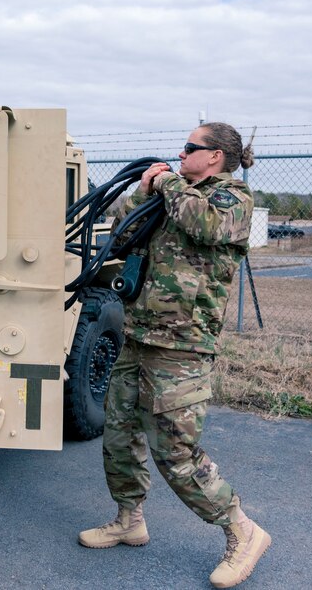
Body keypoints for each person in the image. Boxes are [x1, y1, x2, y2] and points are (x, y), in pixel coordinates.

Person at [78, 122, 270, 588]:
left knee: (175, 451)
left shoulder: (230, 199)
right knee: (120, 433)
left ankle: (242, 531)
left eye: (190, 148)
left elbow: (201, 223)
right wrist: (145, 190)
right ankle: (129, 519)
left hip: (181, 347)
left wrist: (164, 181)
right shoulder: (174, 195)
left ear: (216, 157)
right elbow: (123, 229)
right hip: (139, 334)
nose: (181, 154)